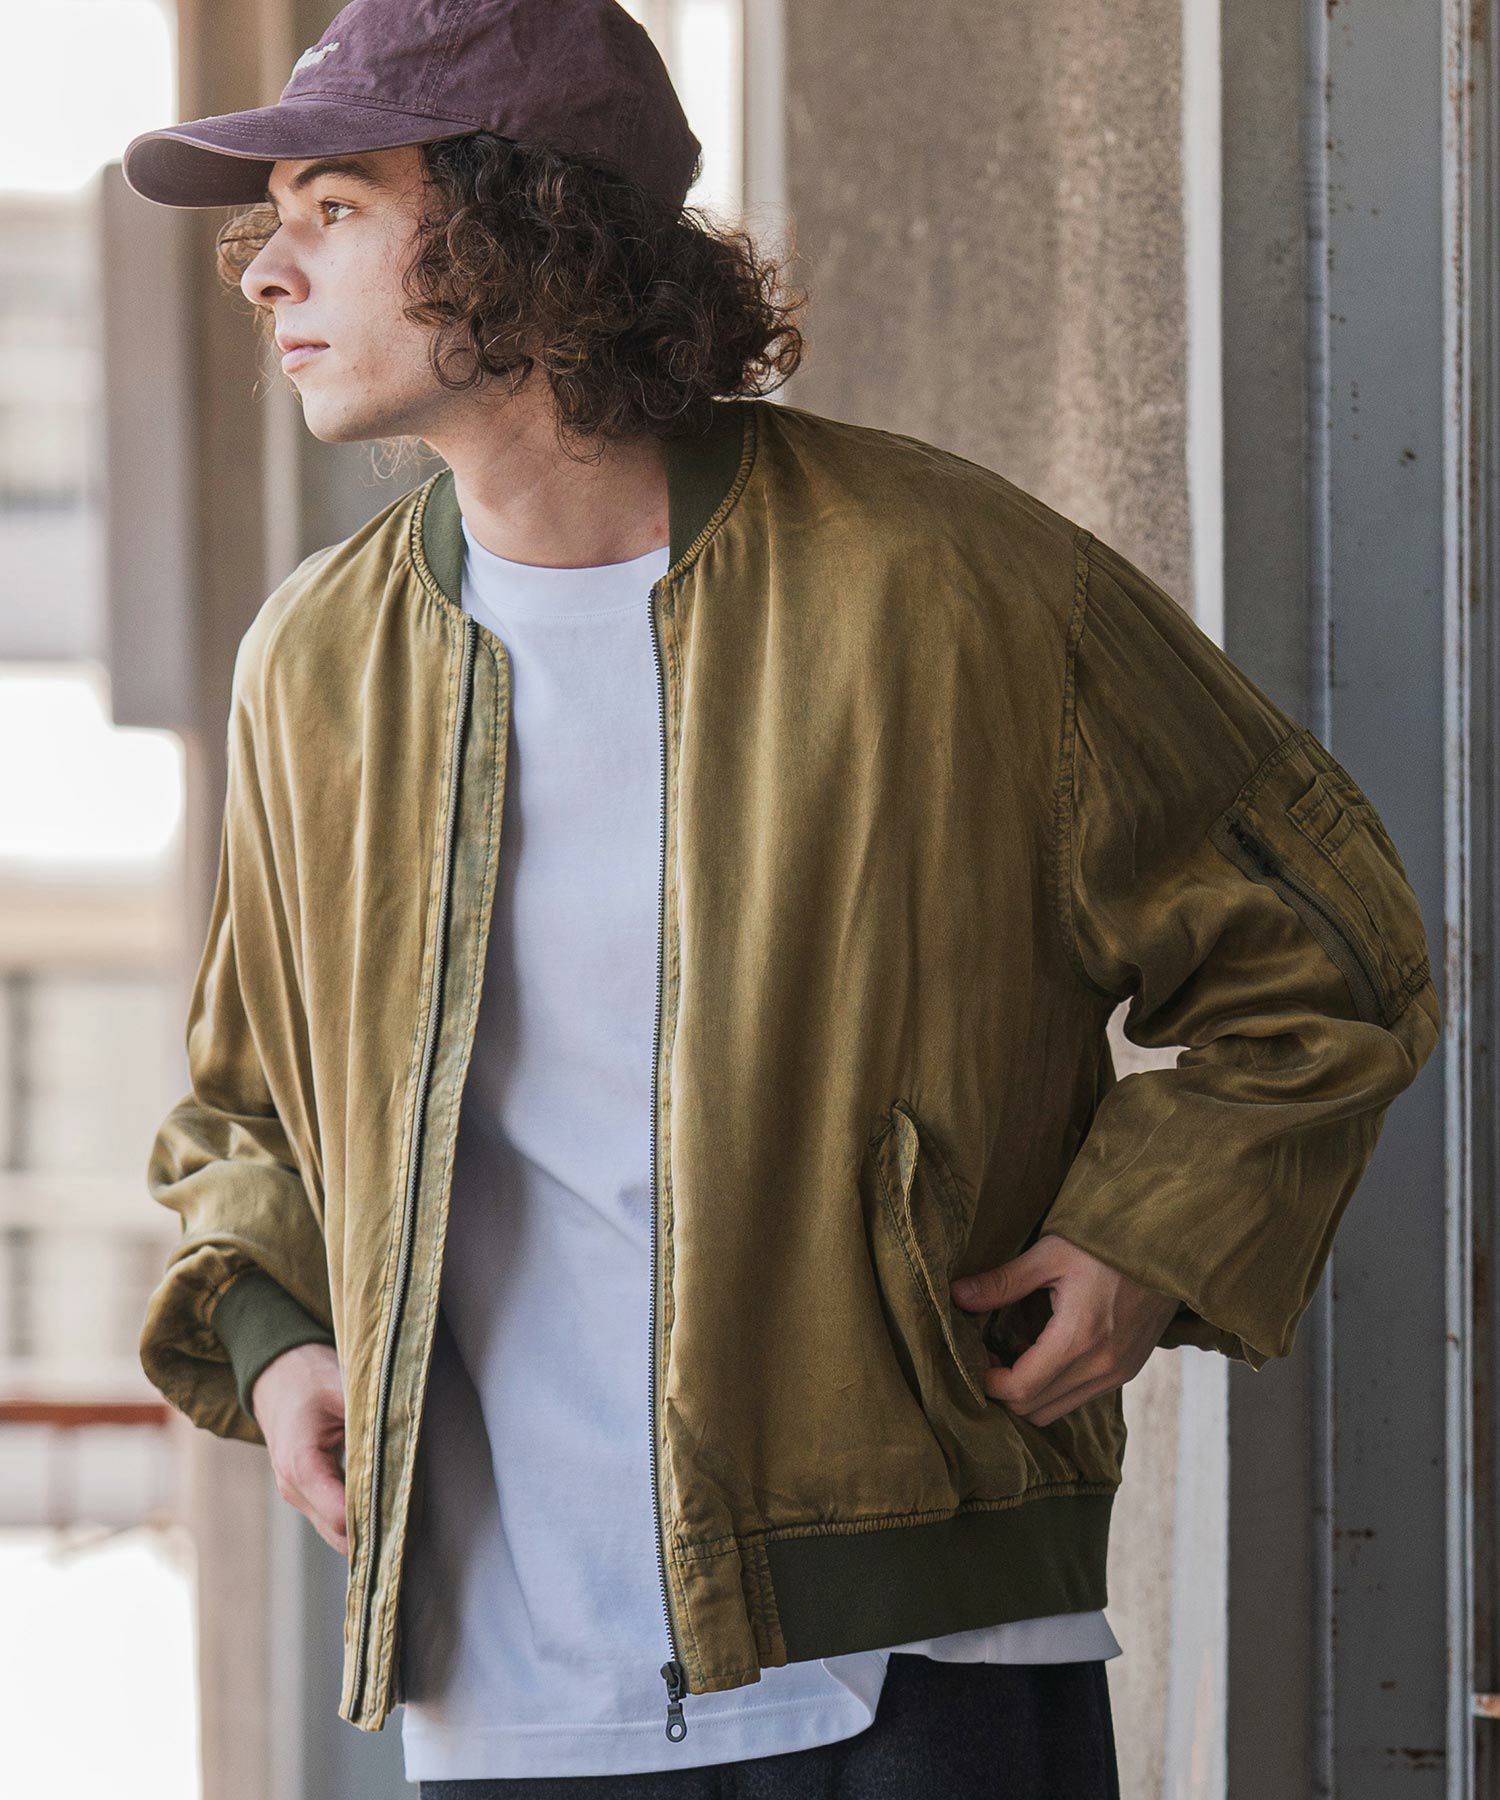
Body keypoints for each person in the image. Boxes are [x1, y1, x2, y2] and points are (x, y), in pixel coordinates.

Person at [122, 2, 1441, 1795]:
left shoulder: (951, 582)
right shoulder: (317, 661)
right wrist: (279, 1341)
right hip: (504, 1675)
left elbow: (1326, 953)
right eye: (272, 221)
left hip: (916, 1635)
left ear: (530, 229)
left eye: (336, 208)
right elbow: (246, 1107)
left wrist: (1152, 1238)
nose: (267, 270)